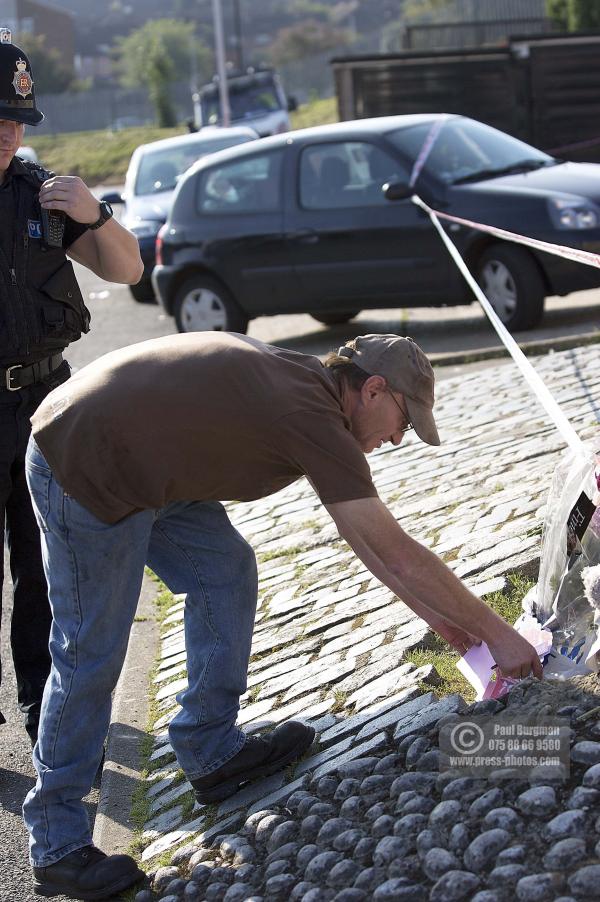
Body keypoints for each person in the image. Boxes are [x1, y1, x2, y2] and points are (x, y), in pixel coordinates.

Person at [23, 331, 543, 900]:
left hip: (150, 463)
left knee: (226, 572)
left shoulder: (310, 388)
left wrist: (451, 628)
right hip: (83, 460)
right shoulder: (311, 415)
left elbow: (369, 548)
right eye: (403, 422)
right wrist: (500, 634)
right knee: (91, 649)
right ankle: (57, 844)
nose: (397, 439)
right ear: (372, 389)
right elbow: (390, 545)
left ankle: (209, 749)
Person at [0, 28, 143, 745]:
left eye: (13, 122)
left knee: (45, 569)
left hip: (45, 406)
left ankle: (44, 716)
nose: (5, 135)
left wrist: (97, 214)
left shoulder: (45, 196)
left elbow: (127, 272)